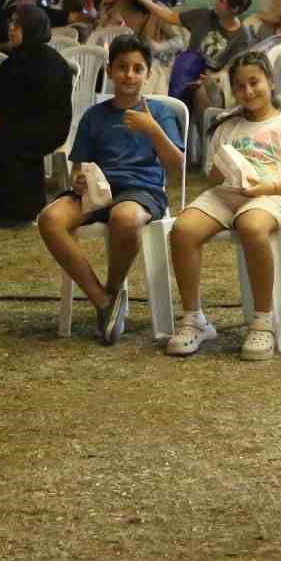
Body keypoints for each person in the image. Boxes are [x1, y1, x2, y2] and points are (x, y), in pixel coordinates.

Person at [164, 52, 281, 361]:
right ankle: (194, 318)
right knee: (183, 229)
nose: (248, 92)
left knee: (252, 226)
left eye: (254, 82)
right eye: (240, 86)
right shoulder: (226, 126)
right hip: (228, 193)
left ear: (271, 82)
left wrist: (268, 188)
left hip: (274, 193)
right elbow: (211, 176)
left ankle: (263, 320)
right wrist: (221, 167)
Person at [36, 34, 185, 344]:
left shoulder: (160, 113)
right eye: (121, 67)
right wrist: (77, 180)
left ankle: (114, 288)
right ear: (109, 70)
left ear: (147, 73)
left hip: (142, 190)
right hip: (98, 190)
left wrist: (152, 129)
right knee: (50, 220)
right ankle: (103, 301)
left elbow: (176, 163)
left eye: (137, 68)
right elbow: (80, 168)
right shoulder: (95, 116)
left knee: (125, 218)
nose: (129, 75)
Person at [0, 5, 74, 224]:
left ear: (32, 28)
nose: (11, 29)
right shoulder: (15, 60)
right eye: (11, 23)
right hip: (16, 121)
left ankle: (12, 212)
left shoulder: (49, 64)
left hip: (45, 126)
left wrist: (4, 120)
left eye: (18, 25)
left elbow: (42, 108)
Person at [130, 0, 251, 114]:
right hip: (186, 70)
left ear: (233, 9)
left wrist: (210, 78)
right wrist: (144, 0)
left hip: (212, 81)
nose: (215, 1)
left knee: (201, 94)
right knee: (165, 71)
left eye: (221, 0)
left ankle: (178, 116)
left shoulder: (242, 37)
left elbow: (231, 69)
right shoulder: (204, 16)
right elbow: (170, 16)